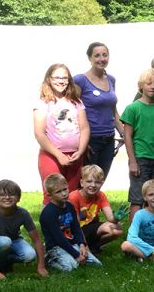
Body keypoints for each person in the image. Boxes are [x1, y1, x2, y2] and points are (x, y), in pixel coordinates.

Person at [121, 69, 154, 223]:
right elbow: (128, 136)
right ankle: (134, 234)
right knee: (138, 198)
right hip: (141, 158)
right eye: (149, 83)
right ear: (141, 86)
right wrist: (132, 161)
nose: (153, 87)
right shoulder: (133, 108)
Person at [34, 63, 89, 203]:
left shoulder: (76, 102)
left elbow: (84, 128)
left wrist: (80, 151)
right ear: (49, 79)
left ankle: (69, 225)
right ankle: (50, 225)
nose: (61, 81)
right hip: (52, 156)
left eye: (64, 78)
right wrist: (59, 156)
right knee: (52, 195)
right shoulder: (43, 103)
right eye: (57, 77)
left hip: (75, 156)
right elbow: (39, 134)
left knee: (71, 196)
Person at [75, 42, 123, 179]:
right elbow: (73, 111)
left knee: (99, 181)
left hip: (108, 140)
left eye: (105, 55)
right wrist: (82, 142)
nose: (101, 59)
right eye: (97, 55)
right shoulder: (80, 80)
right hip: (90, 141)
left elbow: (113, 111)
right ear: (89, 58)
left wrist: (124, 133)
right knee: (86, 182)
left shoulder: (111, 80)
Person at [0, 180, 47, 279]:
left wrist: (41, 267)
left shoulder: (23, 213)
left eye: (11, 194)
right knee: (4, 242)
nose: (7, 197)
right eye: (2, 195)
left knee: (30, 255)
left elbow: (37, 240)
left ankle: (7, 260)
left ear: (18, 198)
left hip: (14, 240)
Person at [39, 173, 102, 272]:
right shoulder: (48, 213)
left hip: (72, 244)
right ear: (49, 195)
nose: (64, 194)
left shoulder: (69, 206)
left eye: (65, 189)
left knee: (97, 264)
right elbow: (58, 238)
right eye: (58, 192)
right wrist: (76, 255)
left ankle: (72, 255)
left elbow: (76, 228)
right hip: (56, 246)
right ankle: (50, 260)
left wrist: (82, 244)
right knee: (71, 267)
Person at [68, 165, 123, 254]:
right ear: (82, 182)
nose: (93, 185)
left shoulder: (101, 195)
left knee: (117, 228)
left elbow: (110, 218)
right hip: (73, 232)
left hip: (89, 228)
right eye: (89, 181)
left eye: (97, 182)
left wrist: (116, 219)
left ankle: (95, 247)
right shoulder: (74, 197)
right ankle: (85, 248)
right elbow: (75, 226)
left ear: (102, 183)